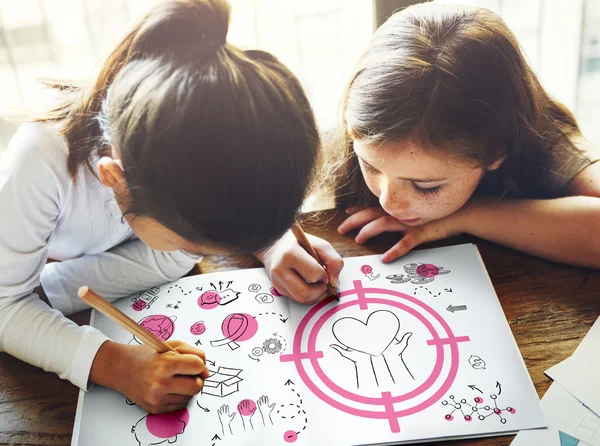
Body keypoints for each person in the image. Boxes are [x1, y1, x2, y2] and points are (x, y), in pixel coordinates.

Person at [0, 0, 341, 415]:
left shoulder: (220, 111)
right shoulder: (41, 161)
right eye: (201, 245)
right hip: (23, 270)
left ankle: (54, 291)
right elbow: (6, 306)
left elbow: (231, 182)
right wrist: (114, 364)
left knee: (173, 259)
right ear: (115, 179)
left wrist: (272, 243)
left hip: (88, 266)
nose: (214, 253)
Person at [335, 3, 600, 268]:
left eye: (427, 187)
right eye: (370, 166)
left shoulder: (546, 140)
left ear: (497, 151)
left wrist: (467, 215)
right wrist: (290, 244)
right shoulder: (354, 129)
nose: (388, 201)